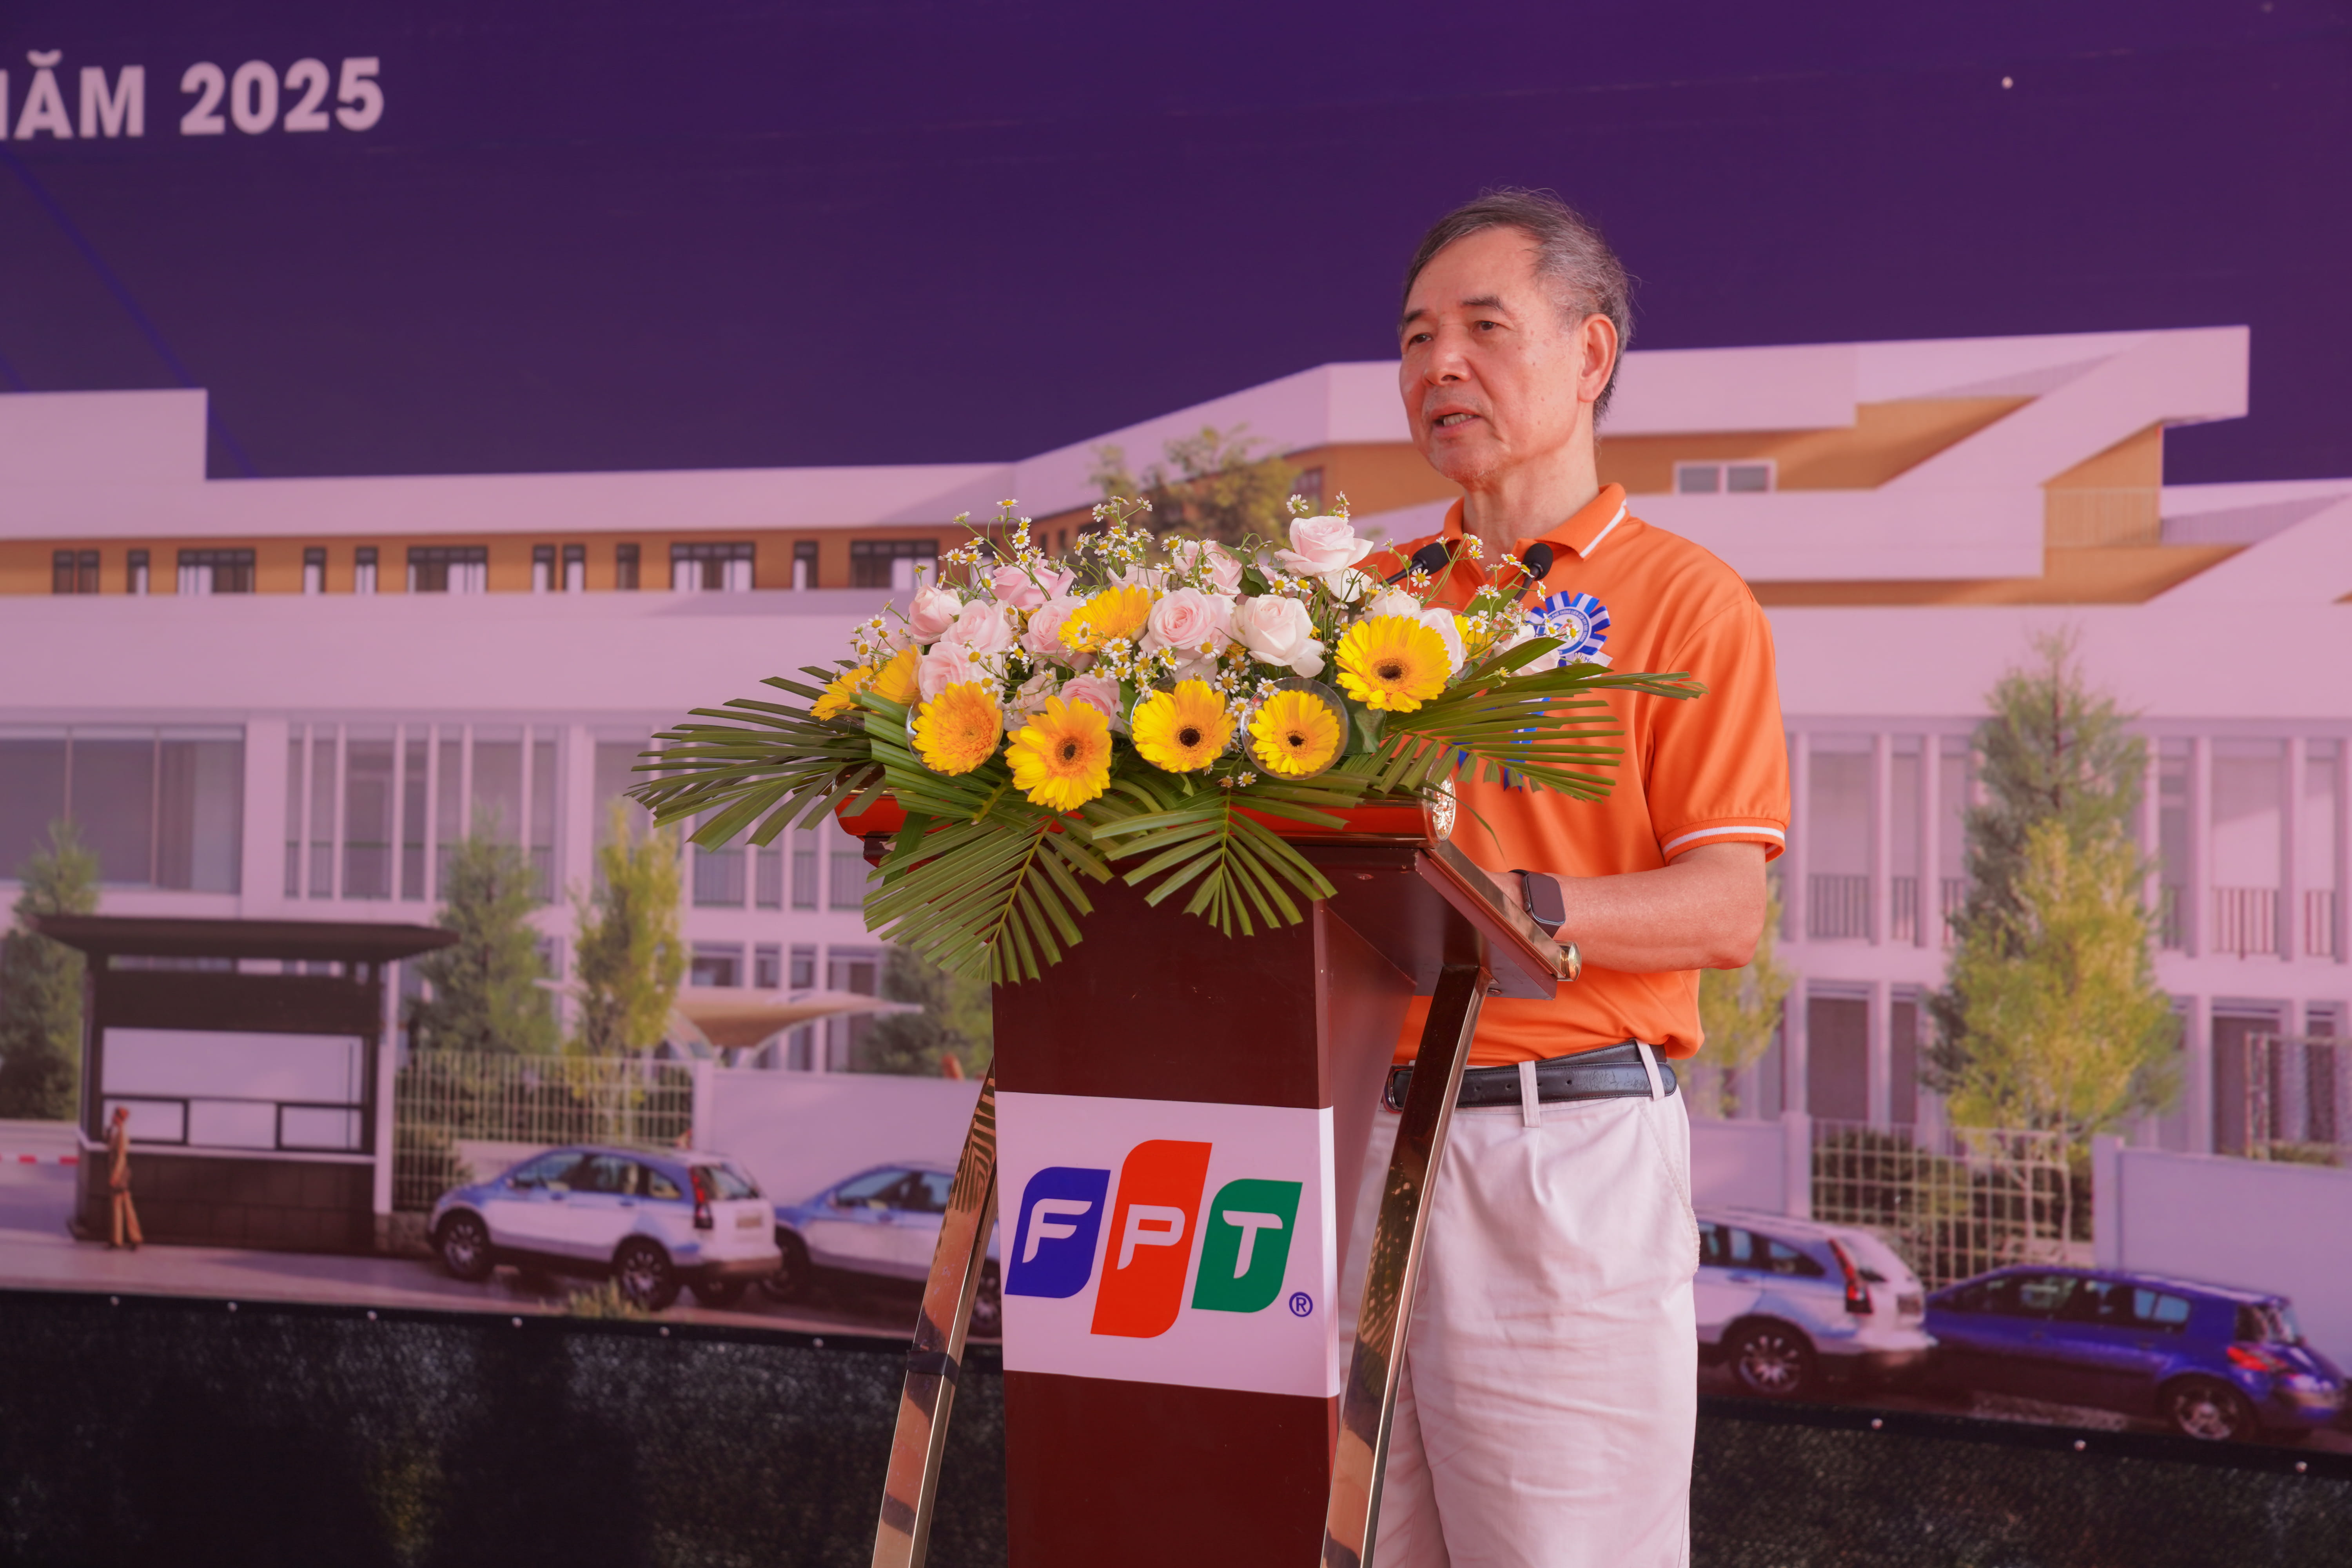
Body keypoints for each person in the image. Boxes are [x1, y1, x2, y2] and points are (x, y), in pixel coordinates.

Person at [1359, 190, 1789, 1566]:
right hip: (1351, 1148)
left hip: (1557, 1156)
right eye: (1417, 338)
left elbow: (1725, 905)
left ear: (1591, 356)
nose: (1440, 368)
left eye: (1485, 330)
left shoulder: (1685, 601)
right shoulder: (1353, 603)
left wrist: (1505, 908)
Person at [105, 1105, 143, 1251]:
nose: (112, 1118)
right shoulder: (117, 1132)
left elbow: (121, 1157)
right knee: (125, 1205)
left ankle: (119, 1239)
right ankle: (133, 1238)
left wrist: (115, 1176)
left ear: (119, 1118)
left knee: (119, 1205)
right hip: (119, 1173)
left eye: (114, 1116)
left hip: (120, 1174)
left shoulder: (123, 1134)